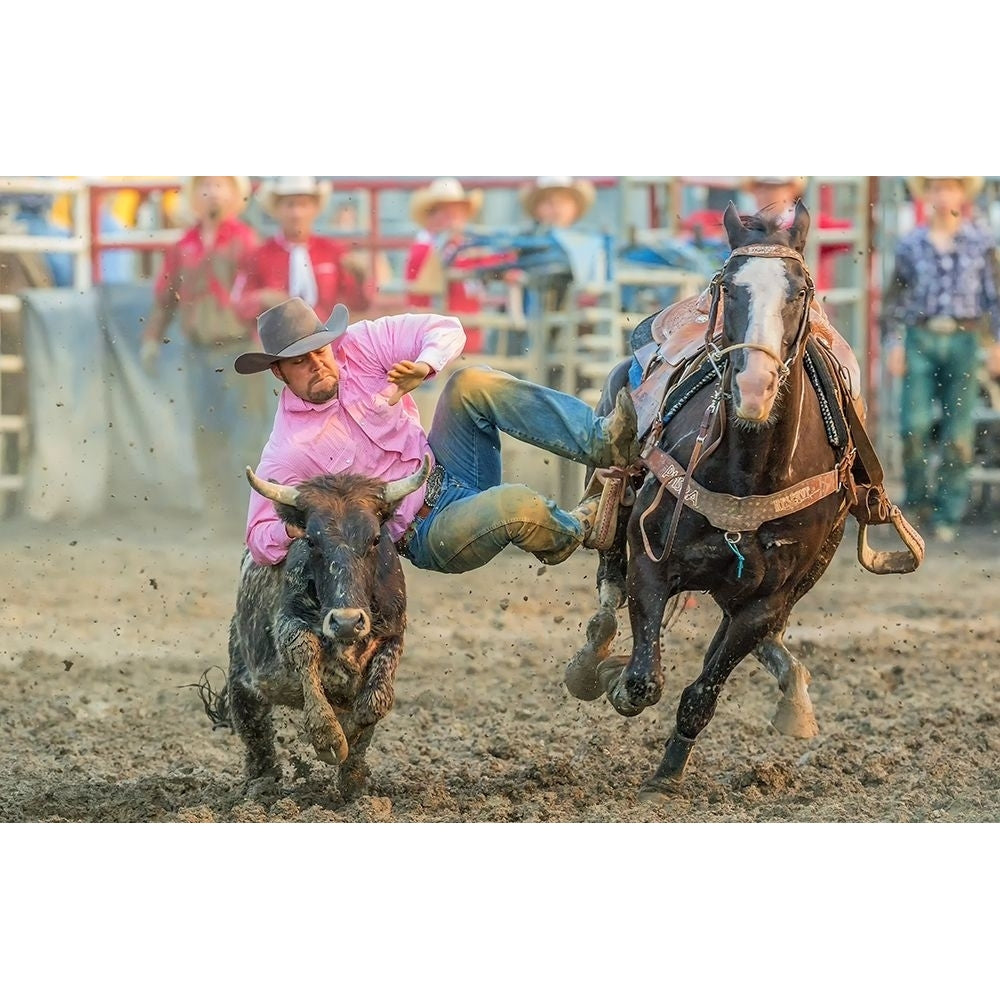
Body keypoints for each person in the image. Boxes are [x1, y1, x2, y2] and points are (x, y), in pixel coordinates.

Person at [235, 297, 640, 573]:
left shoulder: (359, 345)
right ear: (279, 371)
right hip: (426, 531)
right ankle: (581, 530)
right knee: (516, 502)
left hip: (448, 463)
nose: (318, 365)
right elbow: (258, 537)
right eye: (300, 362)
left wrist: (425, 366)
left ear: (330, 343)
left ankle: (602, 442)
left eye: (320, 351)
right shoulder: (288, 450)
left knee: (470, 382)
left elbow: (446, 328)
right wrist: (300, 528)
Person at [881, 175, 1000, 542]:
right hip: (920, 336)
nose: (944, 194)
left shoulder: (982, 242)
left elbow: (994, 297)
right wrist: (895, 343)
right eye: (937, 187)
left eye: (951, 187)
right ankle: (918, 502)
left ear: (962, 195)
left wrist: (996, 343)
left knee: (958, 433)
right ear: (928, 195)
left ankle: (949, 511)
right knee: (912, 427)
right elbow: (895, 301)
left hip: (964, 339)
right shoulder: (910, 243)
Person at [140, 175, 269, 511]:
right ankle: (216, 508)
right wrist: (152, 338)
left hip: (240, 348)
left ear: (234, 195)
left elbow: (261, 293)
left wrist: (259, 339)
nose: (213, 192)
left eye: (221, 185)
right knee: (205, 430)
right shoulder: (184, 244)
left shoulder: (246, 241)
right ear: (195, 196)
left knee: (245, 431)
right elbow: (166, 297)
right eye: (205, 186)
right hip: (198, 349)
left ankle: (246, 508)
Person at [230, 176, 370, 326]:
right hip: (278, 343)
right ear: (277, 208)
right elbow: (238, 304)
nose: (297, 213)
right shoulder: (259, 255)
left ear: (314, 208)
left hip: (327, 337)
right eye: (290, 205)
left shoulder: (334, 252)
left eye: (303, 205)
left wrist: (360, 280)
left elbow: (359, 305)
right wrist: (263, 298)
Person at [405, 178, 487, 351]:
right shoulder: (423, 249)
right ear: (430, 216)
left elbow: (491, 261)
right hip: (434, 344)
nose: (454, 218)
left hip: (464, 340)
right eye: (446, 212)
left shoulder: (465, 247)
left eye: (458, 211)